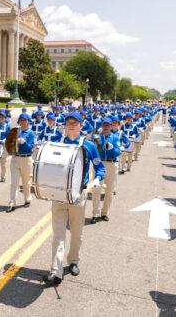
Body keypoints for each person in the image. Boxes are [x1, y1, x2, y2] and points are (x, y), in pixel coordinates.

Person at [43, 112, 105, 287]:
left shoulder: (89, 145)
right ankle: (55, 270)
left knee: (77, 232)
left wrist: (98, 179)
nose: (71, 125)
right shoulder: (57, 143)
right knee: (58, 234)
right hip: (59, 195)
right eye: (68, 123)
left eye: (74, 123)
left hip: (79, 194)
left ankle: (74, 261)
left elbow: (99, 167)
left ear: (81, 125)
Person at [90, 118, 121, 223]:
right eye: (104, 125)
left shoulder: (115, 137)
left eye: (108, 125)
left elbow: (117, 152)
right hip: (100, 165)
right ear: (102, 126)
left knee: (109, 191)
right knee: (96, 190)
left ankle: (104, 213)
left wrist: (111, 148)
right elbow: (93, 147)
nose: (106, 127)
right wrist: (95, 136)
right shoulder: (98, 137)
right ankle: (95, 213)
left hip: (111, 164)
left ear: (111, 126)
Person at [6, 113, 35, 213]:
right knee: (14, 182)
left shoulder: (30, 133)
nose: (23, 122)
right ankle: (12, 202)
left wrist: (24, 142)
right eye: (21, 120)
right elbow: (9, 142)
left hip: (26, 159)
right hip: (15, 158)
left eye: (25, 120)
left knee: (26, 182)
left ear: (28, 121)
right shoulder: (15, 131)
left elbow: (30, 147)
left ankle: (27, 199)